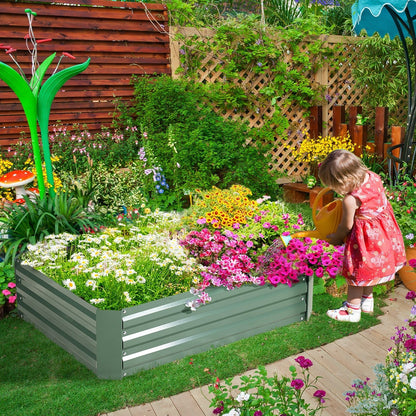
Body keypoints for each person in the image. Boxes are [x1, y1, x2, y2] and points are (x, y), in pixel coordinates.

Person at [318, 149, 406, 322]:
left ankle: (352, 311)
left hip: (366, 240)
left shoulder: (351, 200)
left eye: (336, 186)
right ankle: (367, 300)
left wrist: (336, 237)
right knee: (370, 269)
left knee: (357, 272)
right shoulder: (372, 176)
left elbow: (347, 226)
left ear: (346, 180)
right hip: (384, 233)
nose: (335, 190)